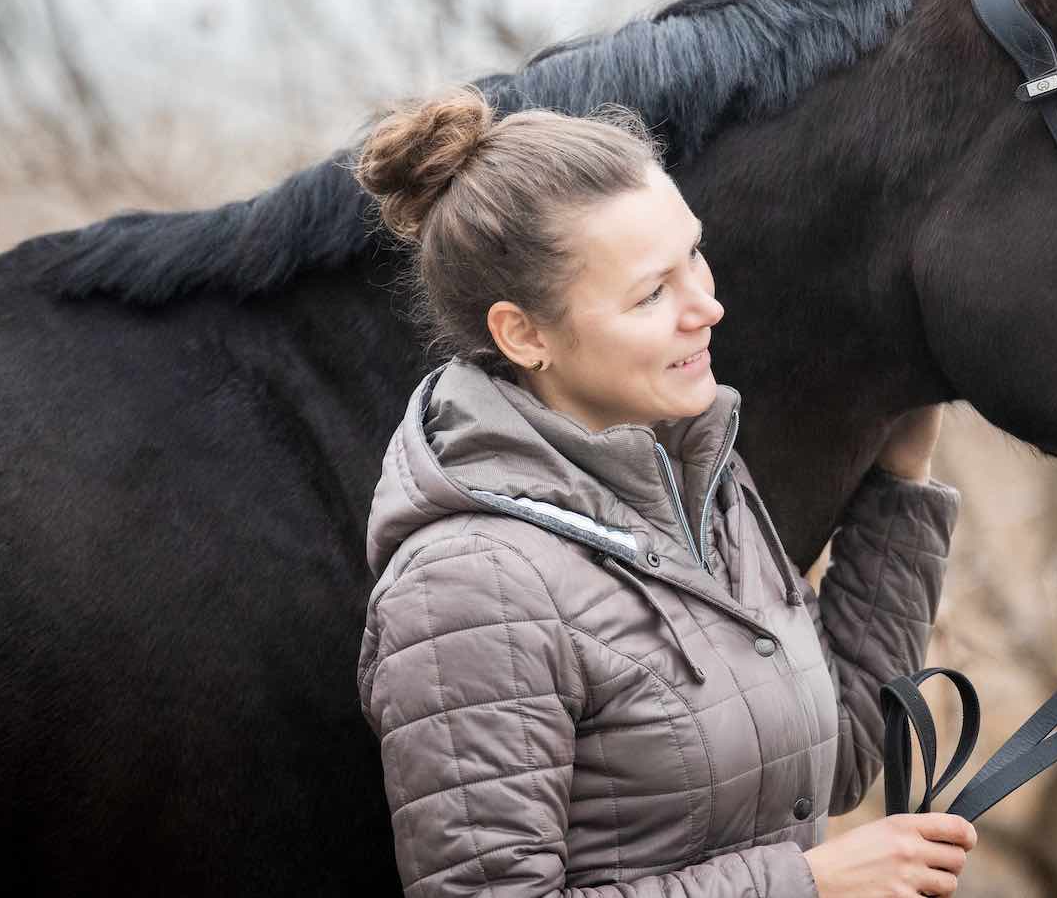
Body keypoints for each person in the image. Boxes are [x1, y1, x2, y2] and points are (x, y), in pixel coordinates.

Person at [351, 86, 976, 897]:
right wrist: (808, 885)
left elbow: (830, 762)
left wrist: (900, 488)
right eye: (652, 293)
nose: (707, 306)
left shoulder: (697, 478)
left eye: (696, 256)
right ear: (524, 334)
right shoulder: (467, 588)